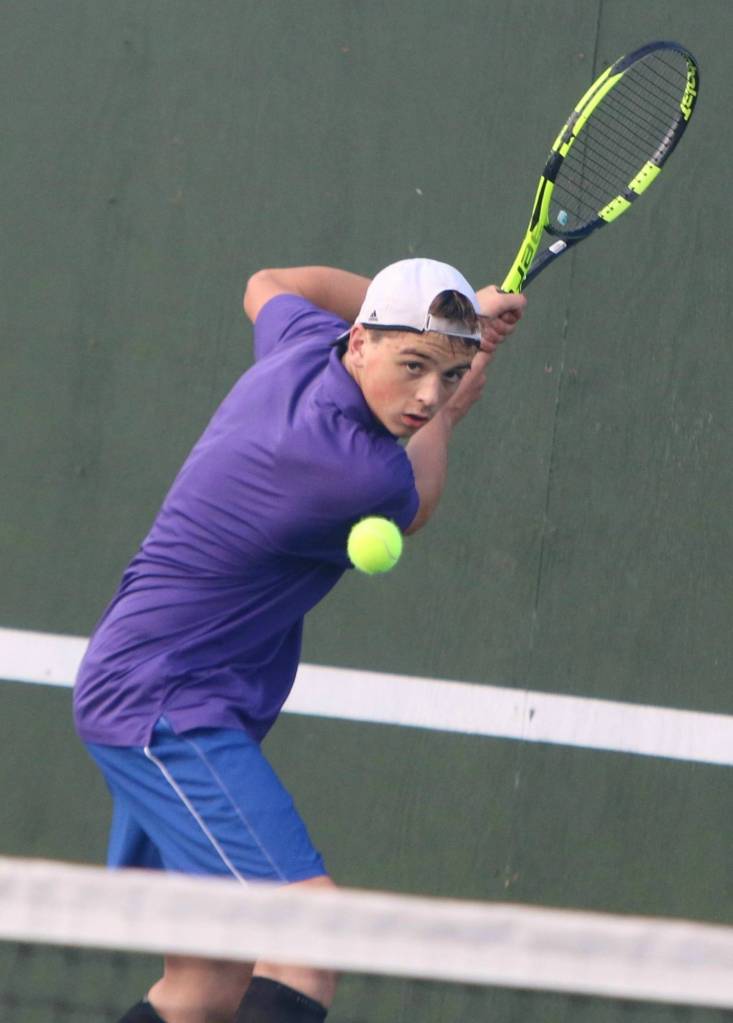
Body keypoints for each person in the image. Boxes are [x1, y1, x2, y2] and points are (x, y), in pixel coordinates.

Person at [73, 257, 526, 1023]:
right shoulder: (351, 472)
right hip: (163, 706)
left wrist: (450, 332)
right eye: (411, 367)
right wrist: (454, 399)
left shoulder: (302, 344)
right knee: (309, 942)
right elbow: (418, 502)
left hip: (149, 684)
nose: (425, 394)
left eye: (444, 377)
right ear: (360, 342)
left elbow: (270, 284)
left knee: (204, 986)